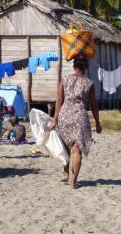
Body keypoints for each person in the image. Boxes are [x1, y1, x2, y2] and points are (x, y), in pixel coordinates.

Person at [50, 56, 102, 189]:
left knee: (65, 146)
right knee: (76, 149)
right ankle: (73, 182)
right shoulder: (89, 83)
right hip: (79, 117)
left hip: (64, 116)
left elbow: (59, 100)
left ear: (74, 66)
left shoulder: (64, 80)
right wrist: (97, 123)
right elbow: (94, 105)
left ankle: (65, 172)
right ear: (86, 67)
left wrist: (55, 119)